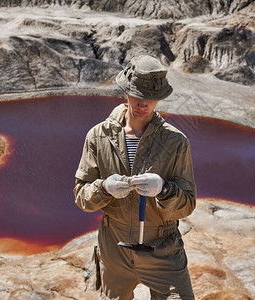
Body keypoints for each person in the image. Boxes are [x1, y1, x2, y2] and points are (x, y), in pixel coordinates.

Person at [73, 55, 196, 300]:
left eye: (151, 98)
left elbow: (187, 204)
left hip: (162, 248)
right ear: (125, 92)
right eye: (138, 95)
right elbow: (82, 198)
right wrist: (104, 188)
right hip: (114, 247)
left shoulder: (175, 142)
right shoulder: (98, 136)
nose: (144, 104)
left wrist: (163, 189)